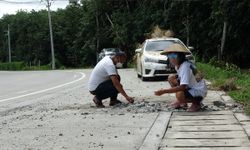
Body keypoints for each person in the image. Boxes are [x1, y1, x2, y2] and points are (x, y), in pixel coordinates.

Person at [154, 43, 207, 112]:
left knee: (179, 94)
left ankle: (196, 103)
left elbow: (182, 87)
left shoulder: (185, 66)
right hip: (191, 87)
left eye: (174, 55)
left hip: (199, 92)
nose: (171, 58)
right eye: (170, 55)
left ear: (180, 56)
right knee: (171, 77)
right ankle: (183, 102)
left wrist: (164, 91)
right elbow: (180, 78)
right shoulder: (178, 65)